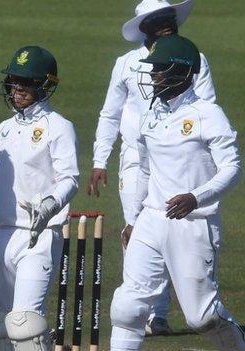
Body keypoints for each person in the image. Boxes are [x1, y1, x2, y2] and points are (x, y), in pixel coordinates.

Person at [87, 0, 216, 335]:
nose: (168, 24)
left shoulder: (194, 59)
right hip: (133, 158)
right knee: (136, 228)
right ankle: (140, 307)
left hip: (177, 157)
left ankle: (158, 314)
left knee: (171, 225)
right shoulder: (126, 64)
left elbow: (207, 110)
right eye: (159, 21)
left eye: (170, 18)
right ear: (144, 27)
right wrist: (100, 159)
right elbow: (110, 113)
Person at [109, 34, 245, 351]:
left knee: (202, 318)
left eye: (159, 69)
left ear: (181, 72)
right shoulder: (151, 115)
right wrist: (133, 219)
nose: (152, 75)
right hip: (152, 220)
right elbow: (143, 169)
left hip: (194, 222)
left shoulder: (208, 115)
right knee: (127, 308)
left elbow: (232, 168)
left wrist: (195, 197)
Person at [0, 46, 79, 350]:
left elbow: (70, 179)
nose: (18, 88)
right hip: (2, 235)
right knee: (3, 325)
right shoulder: (4, 130)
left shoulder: (58, 127)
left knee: (25, 324)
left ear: (44, 85)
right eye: (13, 81)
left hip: (39, 237)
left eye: (26, 82)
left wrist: (50, 206)